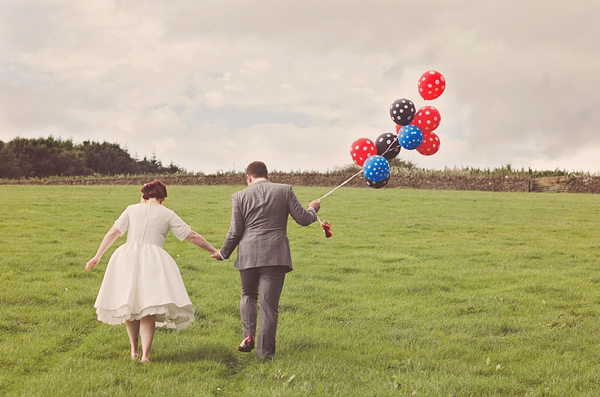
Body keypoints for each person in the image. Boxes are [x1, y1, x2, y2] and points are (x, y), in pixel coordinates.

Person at [86, 180, 218, 363]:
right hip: (152, 259)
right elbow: (191, 235)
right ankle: (146, 355)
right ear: (162, 198)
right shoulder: (167, 213)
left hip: (127, 257)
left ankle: (134, 350)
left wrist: (97, 256)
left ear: (144, 195)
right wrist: (213, 250)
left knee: (129, 303)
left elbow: (113, 233)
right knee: (148, 307)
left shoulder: (131, 209)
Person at [212, 161, 321, 359]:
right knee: (269, 305)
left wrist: (223, 253)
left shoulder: (238, 196)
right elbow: (303, 219)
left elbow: (235, 231)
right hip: (275, 255)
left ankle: (248, 336)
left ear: (248, 178)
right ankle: (265, 354)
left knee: (247, 295)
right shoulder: (284, 190)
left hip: (248, 255)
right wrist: (313, 209)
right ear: (268, 176)